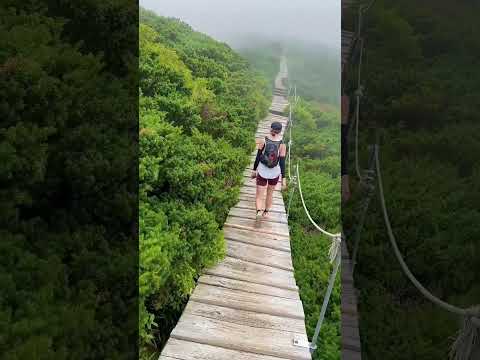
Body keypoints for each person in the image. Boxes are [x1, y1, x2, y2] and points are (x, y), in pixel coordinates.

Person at [251, 121, 287, 218]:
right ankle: (266, 212)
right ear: (280, 131)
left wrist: (254, 170)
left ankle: (258, 211)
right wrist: (284, 178)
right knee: (270, 194)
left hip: (262, 170)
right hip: (275, 173)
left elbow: (258, 156)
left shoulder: (264, 140)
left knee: (259, 194)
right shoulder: (283, 144)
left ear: (270, 128)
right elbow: (282, 162)